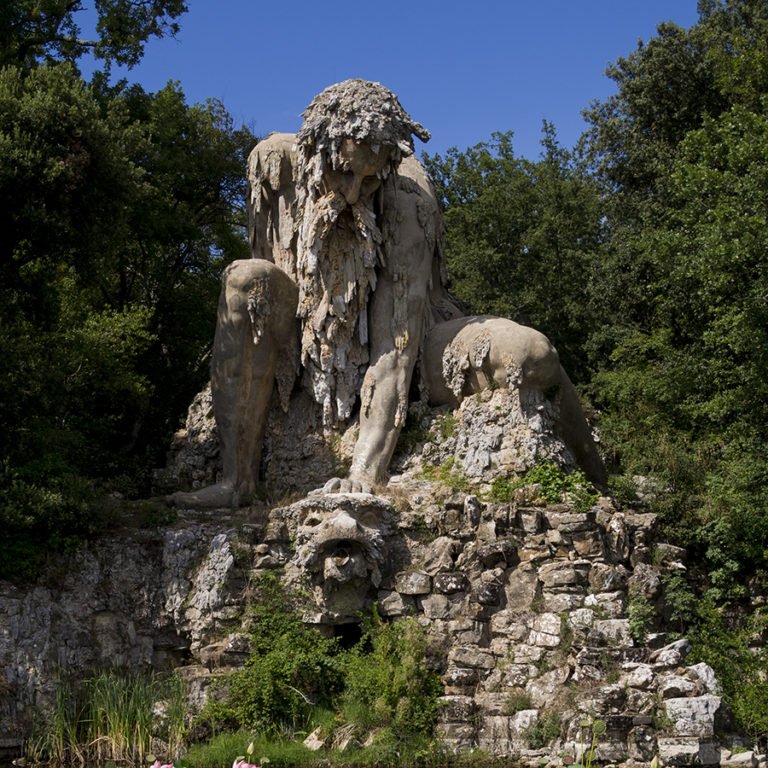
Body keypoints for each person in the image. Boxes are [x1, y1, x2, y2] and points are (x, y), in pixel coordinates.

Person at [171, 79, 605, 508]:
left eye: (370, 180)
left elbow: (395, 350)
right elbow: (270, 285)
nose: (354, 193)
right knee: (244, 278)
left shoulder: (408, 201)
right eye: (343, 172)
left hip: (419, 348)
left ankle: (600, 478)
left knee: (530, 352)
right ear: (316, 151)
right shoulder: (274, 164)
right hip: (306, 339)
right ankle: (236, 482)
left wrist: (364, 473)